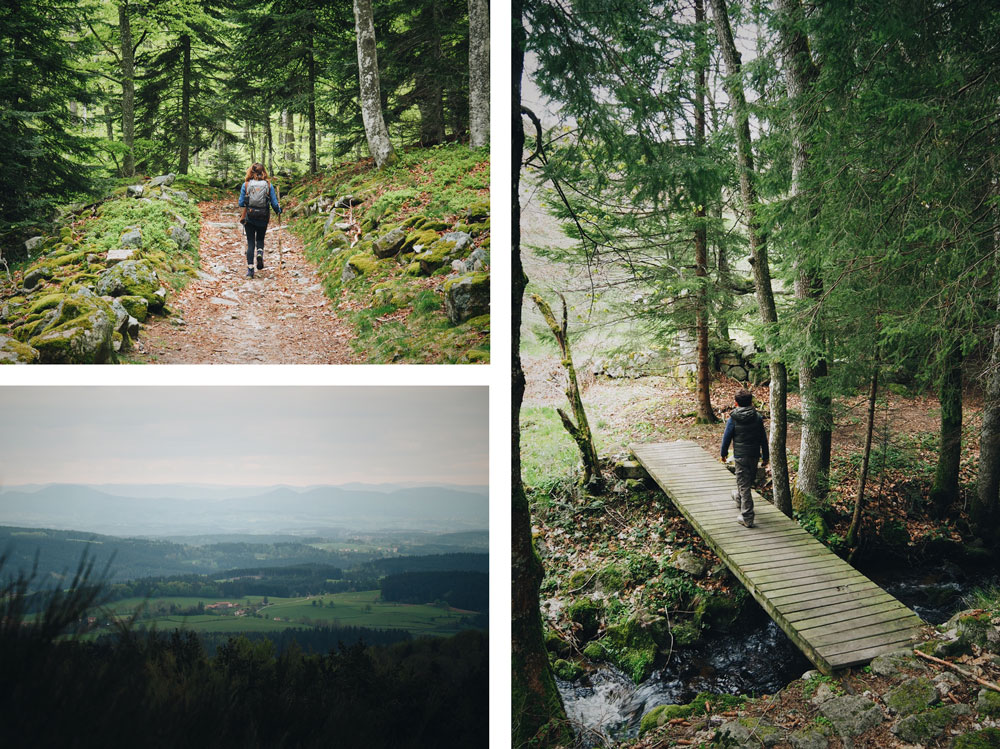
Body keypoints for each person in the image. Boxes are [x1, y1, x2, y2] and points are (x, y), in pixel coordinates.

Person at [719, 388, 769, 528]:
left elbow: (727, 437)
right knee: (746, 481)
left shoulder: (733, 418)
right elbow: (763, 439)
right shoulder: (757, 417)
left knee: (744, 484)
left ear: (736, 403)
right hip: (754, 455)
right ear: (751, 402)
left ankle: (747, 517)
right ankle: (739, 498)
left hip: (740, 456)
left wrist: (723, 453)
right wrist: (765, 456)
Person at [238, 163, 282, 278]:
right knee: (260, 239)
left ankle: (250, 270)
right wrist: (278, 210)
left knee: (251, 242)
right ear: (264, 172)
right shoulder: (268, 185)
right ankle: (260, 253)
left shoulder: (246, 185)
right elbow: (274, 203)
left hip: (250, 217)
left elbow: (241, 203)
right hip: (263, 217)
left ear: (250, 172)